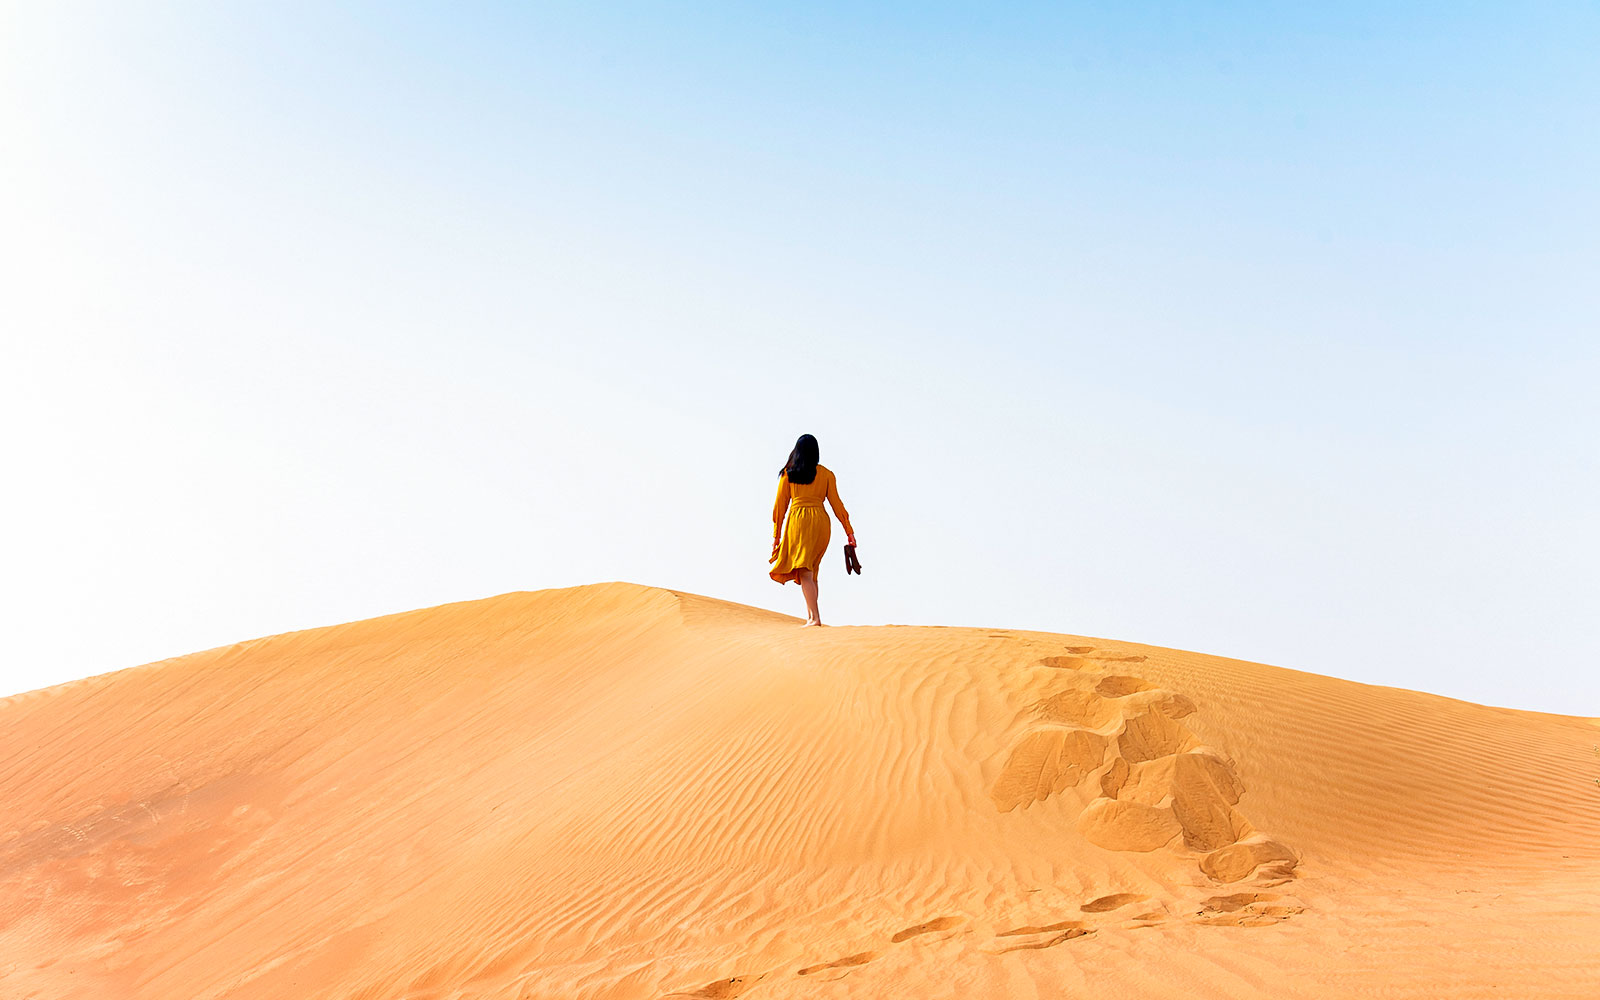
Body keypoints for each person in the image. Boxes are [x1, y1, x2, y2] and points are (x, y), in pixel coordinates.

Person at [769, 434, 856, 627]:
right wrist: (849, 532)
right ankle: (811, 616)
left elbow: (779, 507)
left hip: (800, 522)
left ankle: (815, 618)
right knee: (812, 572)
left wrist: (776, 535)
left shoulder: (788, 474)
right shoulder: (826, 474)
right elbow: (837, 505)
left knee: (806, 572)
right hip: (821, 523)